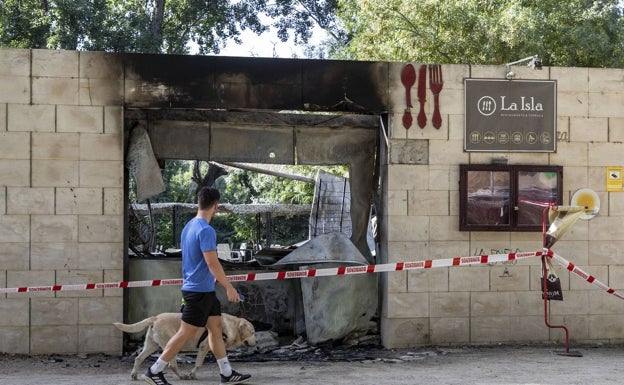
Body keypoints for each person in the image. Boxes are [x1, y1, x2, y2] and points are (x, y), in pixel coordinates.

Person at [143, 187, 251, 385]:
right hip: (198, 292)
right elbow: (212, 263)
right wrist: (229, 287)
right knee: (186, 333)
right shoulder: (206, 230)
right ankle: (154, 370)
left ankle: (226, 373)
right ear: (216, 206)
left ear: (199, 203)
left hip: (203, 291)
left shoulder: (189, 226)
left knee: (215, 330)